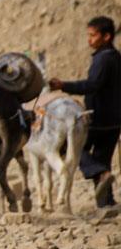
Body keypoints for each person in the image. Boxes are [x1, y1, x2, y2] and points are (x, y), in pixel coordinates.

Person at [49, 16, 121, 207]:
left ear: (106, 36)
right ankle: (107, 204)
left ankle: (99, 174)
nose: (89, 39)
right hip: (114, 119)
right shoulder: (115, 57)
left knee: (73, 148)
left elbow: (92, 85)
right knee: (102, 159)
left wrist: (63, 85)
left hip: (98, 118)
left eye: (93, 35)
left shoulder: (103, 60)